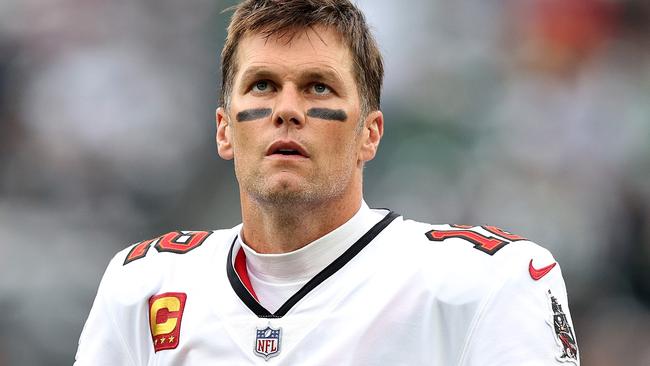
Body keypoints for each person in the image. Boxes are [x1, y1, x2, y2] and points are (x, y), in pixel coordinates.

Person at [74, 0, 579, 364]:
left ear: (370, 134)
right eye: (262, 85)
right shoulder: (141, 286)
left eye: (318, 85)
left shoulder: (485, 282)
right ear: (224, 130)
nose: (287, 110)